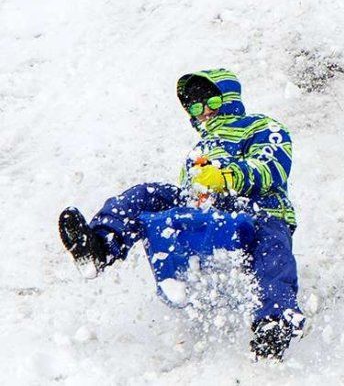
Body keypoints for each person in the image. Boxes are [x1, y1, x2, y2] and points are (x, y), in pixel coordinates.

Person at [57, 69, 305, 360]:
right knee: (146, 194)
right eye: (196, 108)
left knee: (272, 252)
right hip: (206, 212)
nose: (203, 113)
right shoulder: (198, 148)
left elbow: (272, 165)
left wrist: (227, 177)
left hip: (258, 211)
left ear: (228, 99)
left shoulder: (260, 126)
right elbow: (190, 189)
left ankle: (274, 322)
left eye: (209, 103)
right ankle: (99, 246)